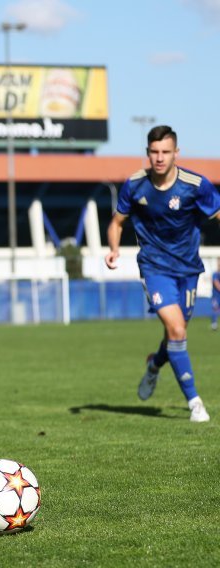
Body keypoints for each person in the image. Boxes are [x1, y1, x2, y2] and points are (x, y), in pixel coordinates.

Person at [105, 125, 220, 423]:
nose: (159, 157)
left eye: (165, 152)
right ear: (147, 153)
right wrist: (114, 249)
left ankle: (154, 365)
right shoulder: (135, 185)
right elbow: (117, 222)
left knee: (176, 332)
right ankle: (195, 402)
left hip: (188, 269)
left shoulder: (196, 185)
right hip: (154, 268)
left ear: (176, 153)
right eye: (154, 152)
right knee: (178, 330)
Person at [211, 261, 220, 331]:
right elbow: (216, 283)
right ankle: (214, 324)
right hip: (216, 296)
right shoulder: (215, 274)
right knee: (215, 309)